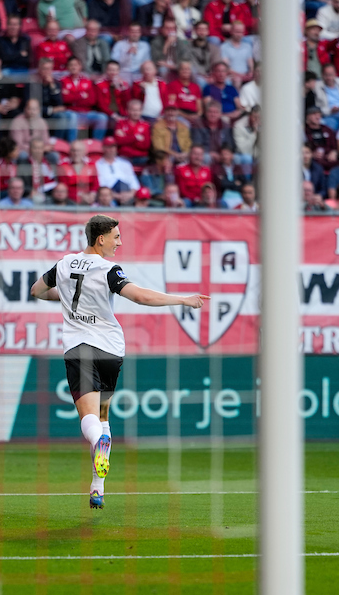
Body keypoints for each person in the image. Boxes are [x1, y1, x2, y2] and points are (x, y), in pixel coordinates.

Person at [30, 215, 207, 508]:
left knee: (89, 421)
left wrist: (63, 299)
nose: (119, 242)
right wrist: (182, 300)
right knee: (102, 417)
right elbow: (141, 297)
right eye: (116, 237)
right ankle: (97, 488)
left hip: (79, 348)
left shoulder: (63, 264)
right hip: (111, 350)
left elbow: (37, 291)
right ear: (101, 239)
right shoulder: (109, 269)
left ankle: (99, 445)